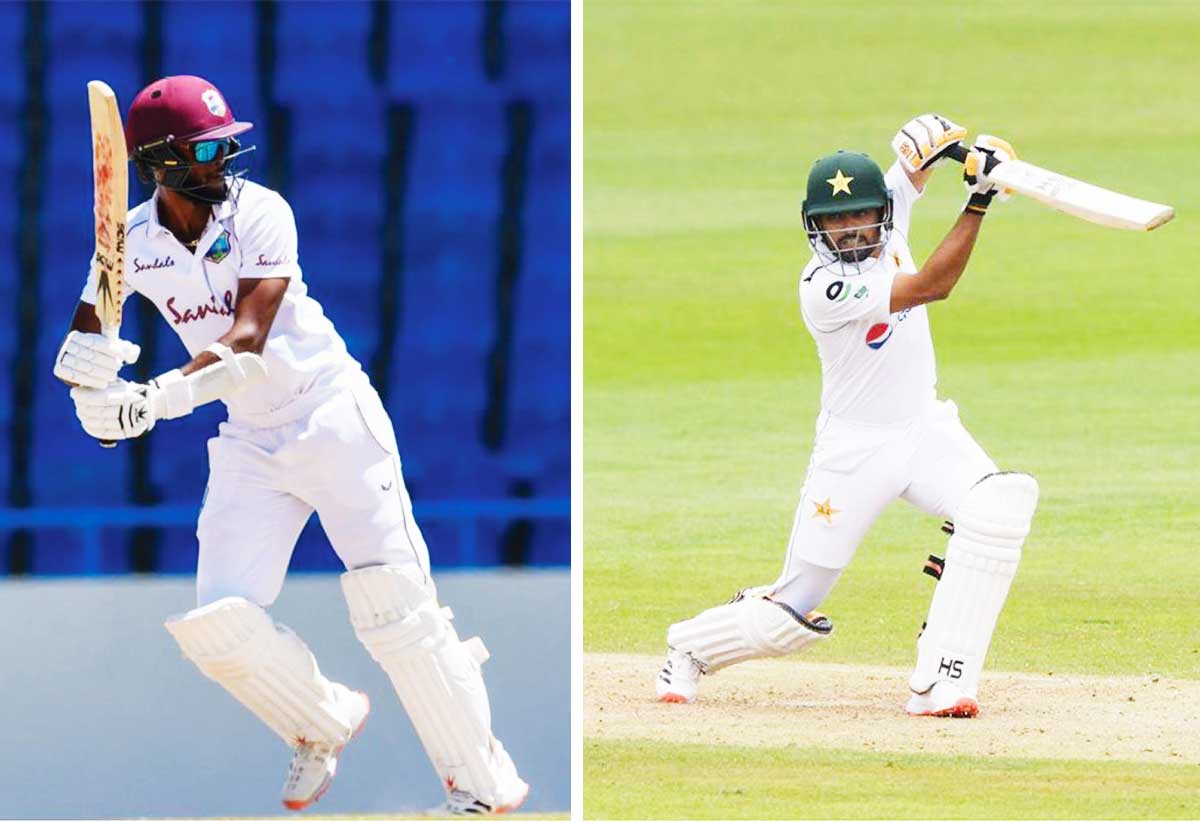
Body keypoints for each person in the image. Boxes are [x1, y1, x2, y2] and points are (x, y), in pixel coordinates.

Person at [54, 75, 528, 814]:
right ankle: (321, 721)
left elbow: (247, 341)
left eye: (226, 144)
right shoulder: (130, 245)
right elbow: (89, 341)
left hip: (332, 417)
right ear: (160, 163)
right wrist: (95, 401)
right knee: (216, 627)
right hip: (251, 440)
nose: (223, 160)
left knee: (397, 611)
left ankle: (483, 789)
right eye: (205, 148)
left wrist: (152, 402)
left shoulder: (261, 212)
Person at [655, 114, 1039, 718]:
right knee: (792, 611)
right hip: (855, 451)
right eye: (835, 220)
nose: (851, 229)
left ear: (878, 213)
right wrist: (980, 199)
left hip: (925, 428)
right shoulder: (824, 287)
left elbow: (912, 162)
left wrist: (950, 143)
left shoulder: (889, 218)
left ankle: (943, 677)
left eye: (860, 215)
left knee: (998, 506)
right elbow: (932, 286)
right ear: (816, 228)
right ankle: (690, 647)